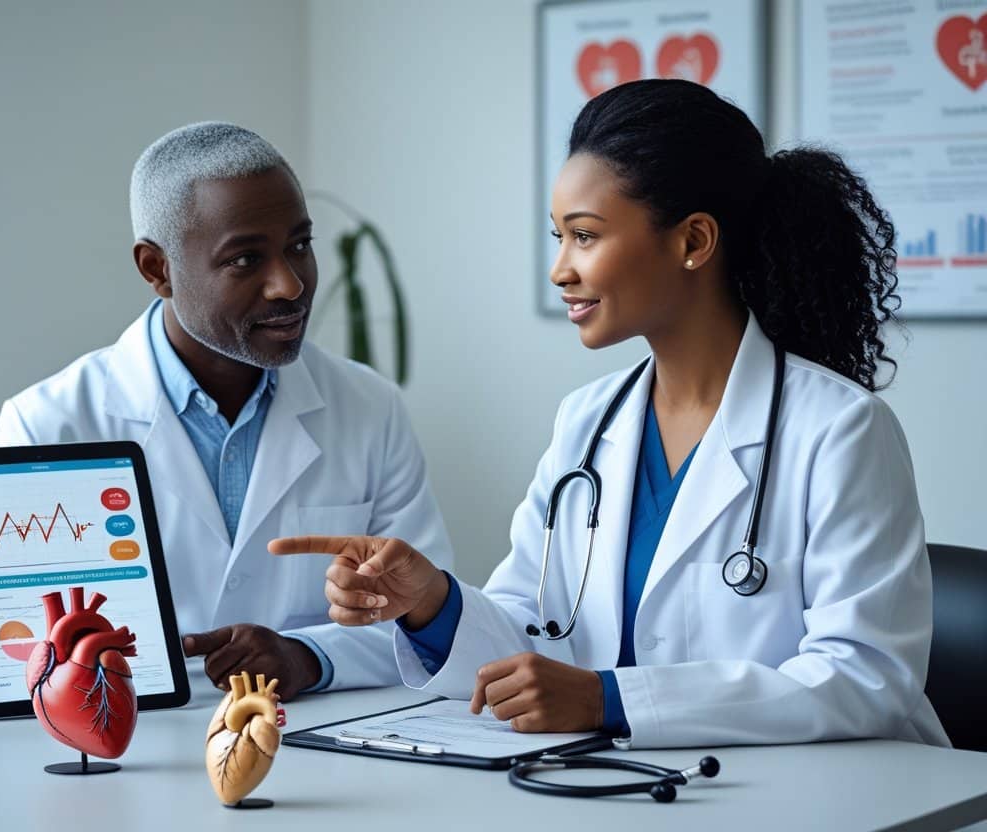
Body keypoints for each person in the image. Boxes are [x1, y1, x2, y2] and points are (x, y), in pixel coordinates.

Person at [272, 80, 950, 747]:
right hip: (637, 789)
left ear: (693, 241)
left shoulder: (839, 431)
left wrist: (611, 699)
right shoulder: (589, 421)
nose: (560, 269)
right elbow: (533, 629)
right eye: (557, 238)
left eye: (585, 237)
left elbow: (865, 677)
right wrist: (430, 602)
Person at [0, 122, 452, 700]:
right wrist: (104, 672)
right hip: (123, 758)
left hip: (314, 749)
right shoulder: (50, 424)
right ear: (157, 269)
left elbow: (428, 617)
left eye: (299, 245)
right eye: (246, 259)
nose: (290, 284)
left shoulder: (368, 407)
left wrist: (307, 655)